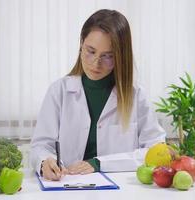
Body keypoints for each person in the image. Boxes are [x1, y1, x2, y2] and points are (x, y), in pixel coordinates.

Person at [29, 9, 166, 181]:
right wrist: (44, 162)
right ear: (81, 45)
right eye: (91, 51)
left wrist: (100, 163)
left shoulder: (136, 96)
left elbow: (156, 151)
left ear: (121, 57)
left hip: (121, 190)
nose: (96, 63)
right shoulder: (59, 91)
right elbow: (40, 146)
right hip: (66, 187)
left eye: (108, 56)